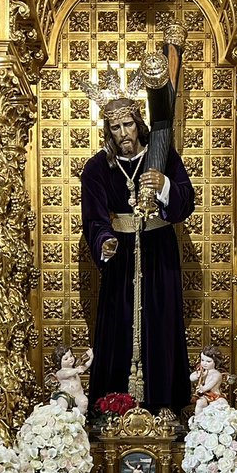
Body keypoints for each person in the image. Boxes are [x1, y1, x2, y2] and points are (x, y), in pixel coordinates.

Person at [82, 96, 194, 416]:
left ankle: (163, 403)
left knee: (160, 322)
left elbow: (186, 201)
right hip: (120, 257)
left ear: (139, 124)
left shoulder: (163, 157)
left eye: (128, 124)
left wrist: (164, 185)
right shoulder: (97, 167)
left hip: (158, 252)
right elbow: (92, 217)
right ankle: (115, 404)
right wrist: (103, 240)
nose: (123, 133)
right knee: (120, 325)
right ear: (108, 130)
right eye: (115, 127)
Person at [53, 345, 94, 415]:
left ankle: (77, 418)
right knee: (61, 405)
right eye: (66, 359)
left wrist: (91, 358)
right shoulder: (59, 372)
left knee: (84, 402)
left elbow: (85, 366)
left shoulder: (75, 369)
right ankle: (62, 419)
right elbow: (67, 374)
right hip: (65, 395)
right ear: (59, 362)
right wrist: (76, 370)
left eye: (71, 356)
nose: (70, 359)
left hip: (77, 394)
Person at [190, 347, 226, 416]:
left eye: (208, 361)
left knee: (216, 406)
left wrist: (202, 388)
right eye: (202, 360)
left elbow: (210, 385)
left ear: (215, 362)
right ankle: (198, 420)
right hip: (203, 395)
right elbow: (191, 378)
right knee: (200, 403)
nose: (204, 363)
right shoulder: (201, 371)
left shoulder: (216, 374)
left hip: (214, 396)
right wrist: (197, 376)